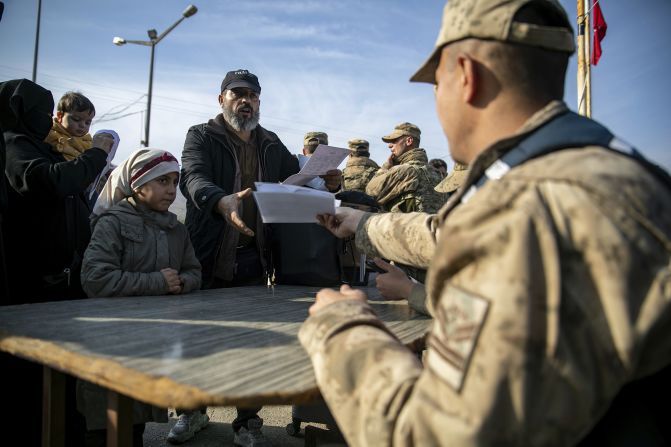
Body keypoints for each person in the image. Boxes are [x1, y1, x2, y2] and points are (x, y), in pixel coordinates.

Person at [301, 0, 671, 445]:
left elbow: (433, 435)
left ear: (466, 75)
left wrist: (343, 327)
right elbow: (454, 234)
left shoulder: (531, 206)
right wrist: (362, 225)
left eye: (436, 84)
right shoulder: (604, 170)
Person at [179, 69, 339, 446]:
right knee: (199, 341)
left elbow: (298, 179)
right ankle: (192, 413)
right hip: (205, 255)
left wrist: (328, 182)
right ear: (222, 100)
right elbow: (193, 178)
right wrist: (220, 200)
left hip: (252, 257)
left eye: (252, 94)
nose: (245, 100)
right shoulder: (200, 135)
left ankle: (247, 422)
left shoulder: (270, 143)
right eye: (237, 94)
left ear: (259, 102)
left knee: (248, 346)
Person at [0, 78, 114, 446]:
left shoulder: (41, 146)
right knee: (33, 377)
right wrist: (96, 153)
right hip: (31, 284)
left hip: (64, 281)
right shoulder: (13, 145)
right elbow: (50, 182)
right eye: (41, 111)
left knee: (64, 373)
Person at [78, 148, 201, 446]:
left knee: (135, 425)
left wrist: (182, 282)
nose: (172, 190)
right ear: (139, 184)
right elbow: (94, 279)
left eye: (175, 181)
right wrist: (157, 282)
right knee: (105, 425)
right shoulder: (113, 223)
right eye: (163, 181)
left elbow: (194, 271)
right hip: (110, 342)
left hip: (151, 342)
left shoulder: (176, 229)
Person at [365, 122, 444, 213]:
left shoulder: (404, 171)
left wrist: (385, 168)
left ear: (409, 141)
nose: (390, 145)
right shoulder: (437, 174)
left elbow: (370, 193)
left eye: (394, 141)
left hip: (406, 226)